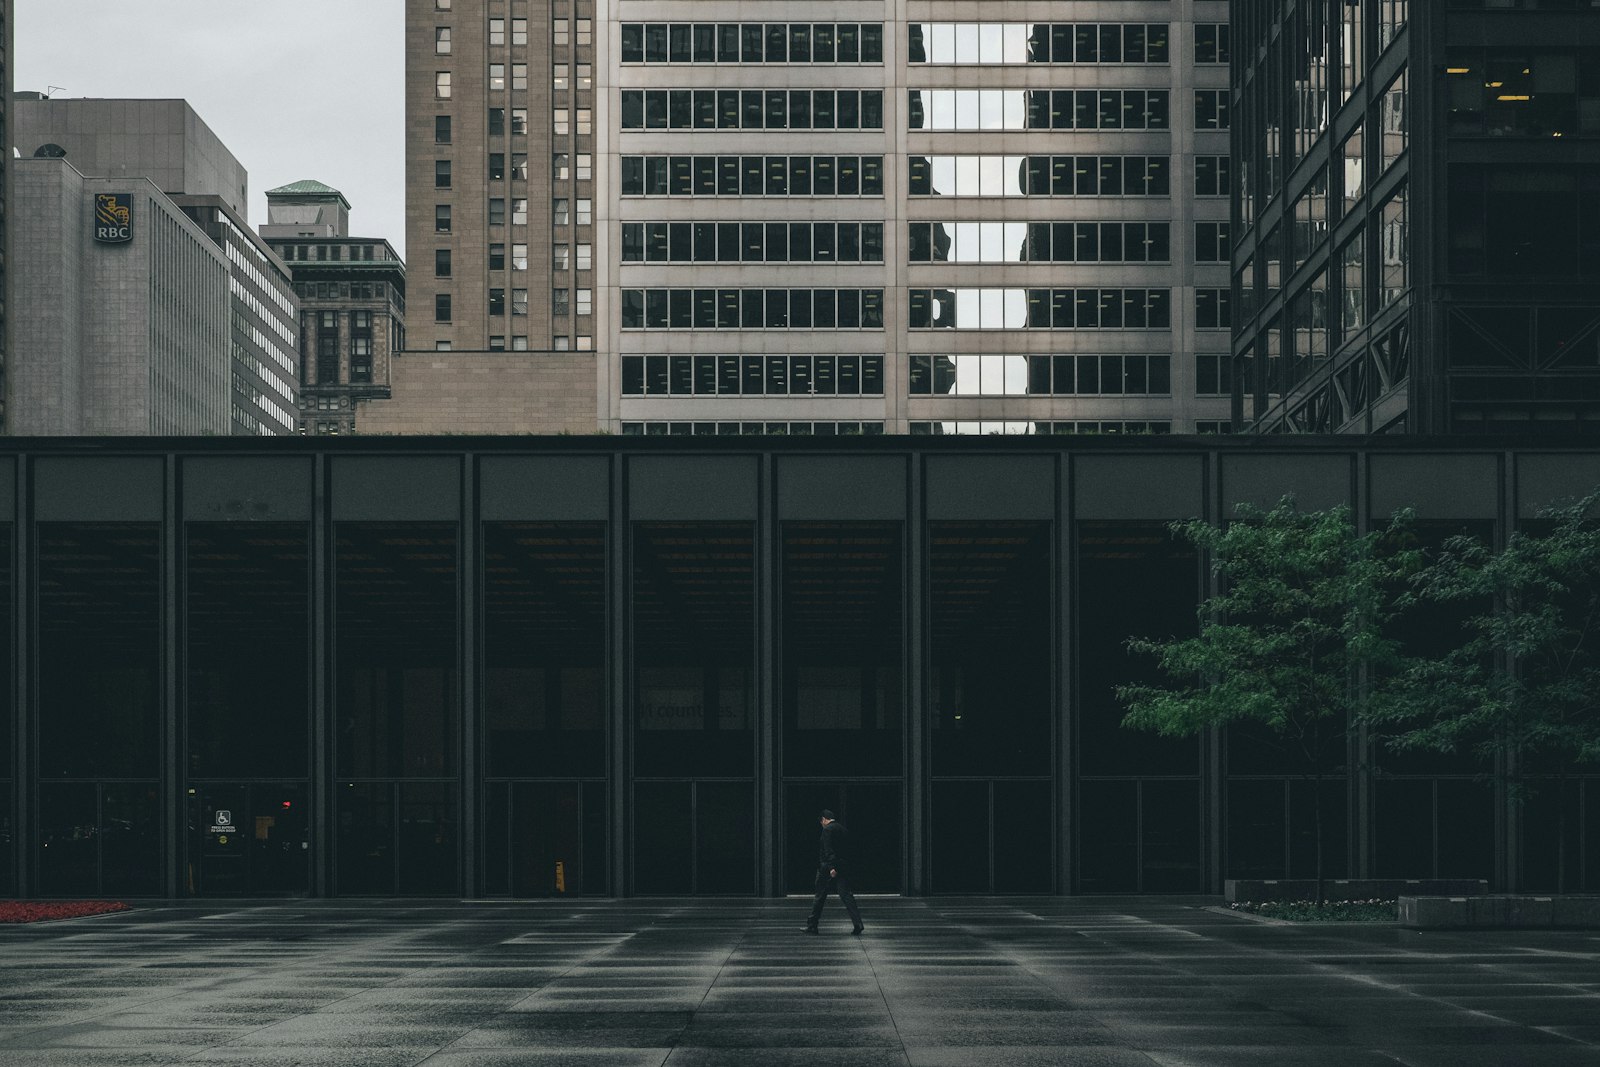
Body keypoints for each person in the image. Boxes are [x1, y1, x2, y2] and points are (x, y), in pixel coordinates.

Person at [804, 809, 863, 935]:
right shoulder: (843, 830)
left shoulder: (827, 830)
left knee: (819, 896)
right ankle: (858, 923)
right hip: (843, 866)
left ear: (824, 819)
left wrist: (831, 867)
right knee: (846, 895)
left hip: (828, 867)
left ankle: (812, 925)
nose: (822, 825)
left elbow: (828, 849)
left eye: (822, 823)